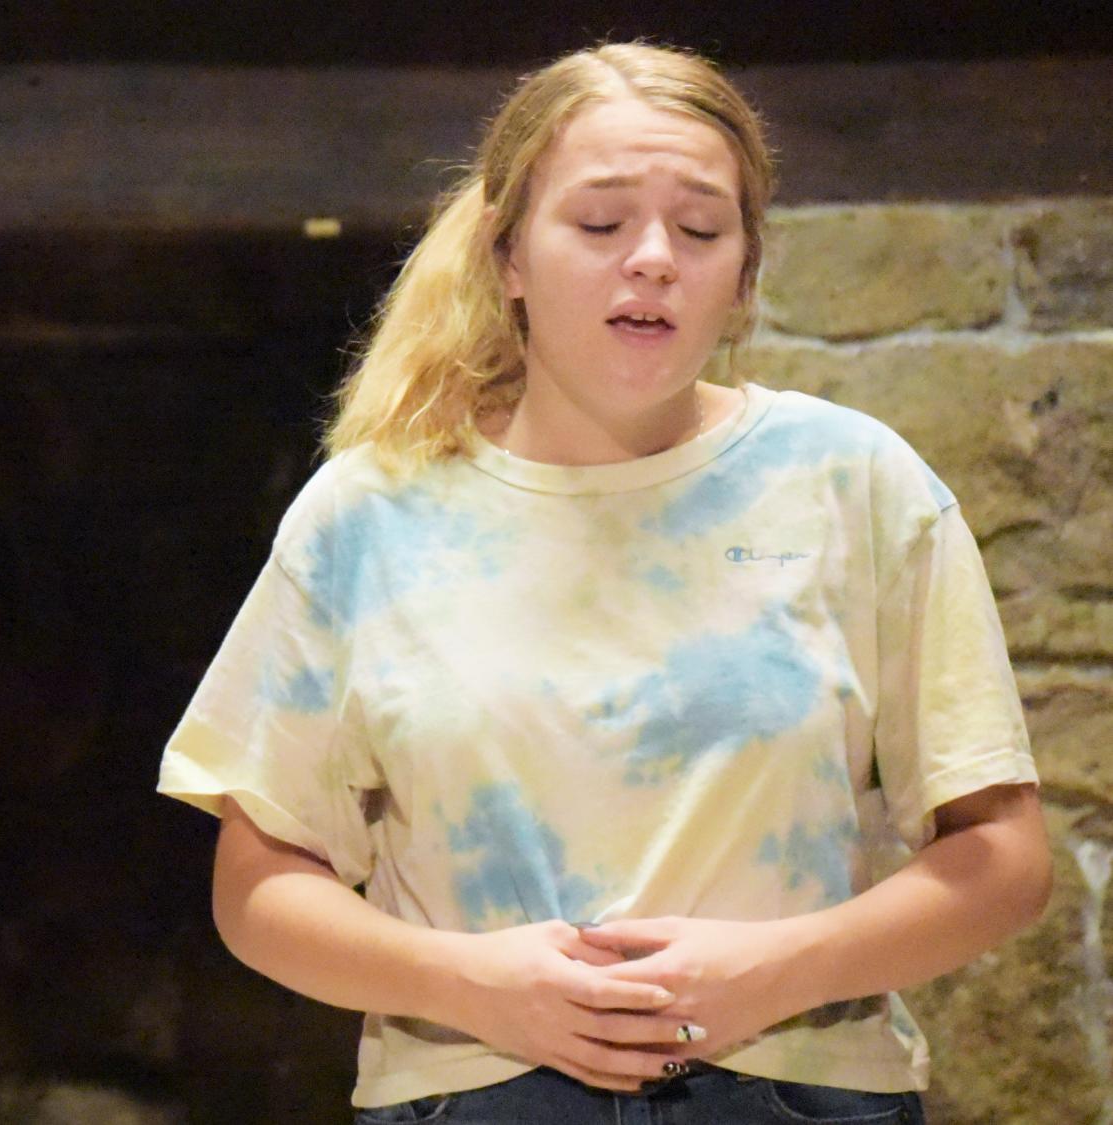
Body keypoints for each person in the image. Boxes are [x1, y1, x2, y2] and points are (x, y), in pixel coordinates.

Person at [158, 41, 1051, 1124]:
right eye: (600, 223)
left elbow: (1004, 860)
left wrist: (775, 970)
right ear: (508, 256)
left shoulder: (852, 481)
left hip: (796, 1091)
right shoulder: (369, 514)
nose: (655, 258)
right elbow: (258, 886)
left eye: (701, 229)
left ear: (744, 274)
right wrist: (473, 985)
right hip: (475, 1096)